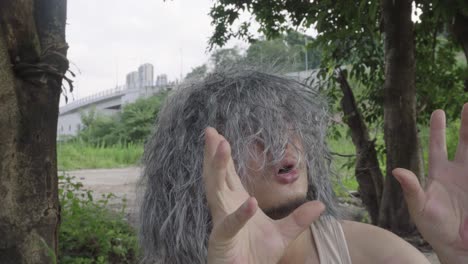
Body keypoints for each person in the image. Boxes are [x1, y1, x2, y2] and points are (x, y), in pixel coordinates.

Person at [139, 69, 468, 264]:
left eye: (286, 124)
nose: (280, 143)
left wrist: (458, 256)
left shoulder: (371, 252)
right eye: (250, 133)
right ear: (196, 167)